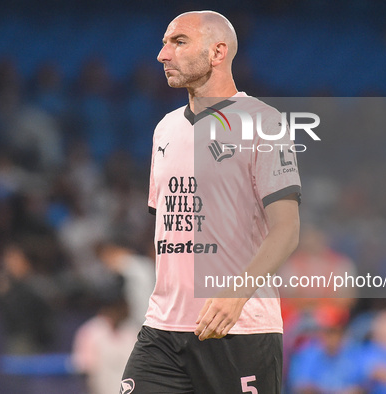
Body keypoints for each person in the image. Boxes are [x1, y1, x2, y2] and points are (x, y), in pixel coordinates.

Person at [121, 10, 301, 394]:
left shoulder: (262, 123)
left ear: (217, 52)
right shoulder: (165, 128)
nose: (162, 55)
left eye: (178, 42)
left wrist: (235, 295)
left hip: (240, 329)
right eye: (165, 42)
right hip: (163, 330)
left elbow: (287, 230)